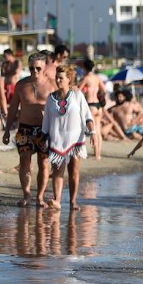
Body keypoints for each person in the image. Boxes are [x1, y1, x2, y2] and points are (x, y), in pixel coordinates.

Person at [3, 53, 55, 207]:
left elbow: (63, 108)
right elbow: (12, 109)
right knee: (24, 161)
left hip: (45, 129)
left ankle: (39, 197)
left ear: (45, 67)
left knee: (44, 163)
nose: (35, 71)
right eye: (31, 68)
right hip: (25, 128)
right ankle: (26, 194)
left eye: (38, 68)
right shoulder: (21, 85)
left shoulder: (53, 85)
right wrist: (6, 131)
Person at [42, 64, 94, 211]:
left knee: (74, 172)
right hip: (57, 139)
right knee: (57, 172)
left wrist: (93, 133)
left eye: (61, 78)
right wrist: (43, 137)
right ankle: (57, 200)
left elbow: (87, 116)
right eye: (56, 78)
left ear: (69, 79)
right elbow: (46, 121)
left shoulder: (77, 95)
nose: (58, 80)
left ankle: (72, 201)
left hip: (75, 140)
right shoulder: (50, 98)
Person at [79, 59, 106, 159]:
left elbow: (78, 90)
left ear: (84, 68)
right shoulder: (97, 78)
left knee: (93, 130)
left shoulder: (86, 78)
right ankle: (98, 154)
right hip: (98, 105)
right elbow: (104, 90)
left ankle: (96, 155)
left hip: (90, 104)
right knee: (98, 130)